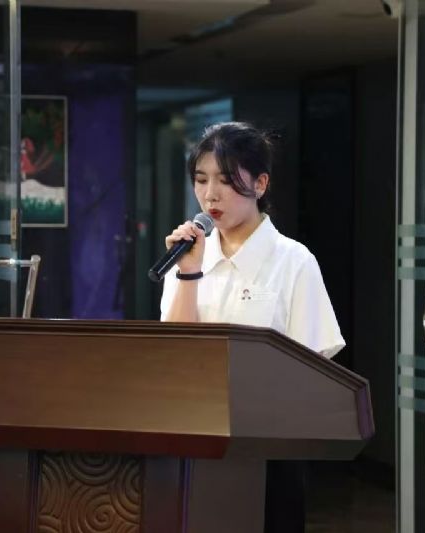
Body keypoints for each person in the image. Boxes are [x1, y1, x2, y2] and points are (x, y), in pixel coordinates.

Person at [159, 121, 345, 533]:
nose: (210, 194)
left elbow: (314, 367)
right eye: (201, 179)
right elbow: (174, 354)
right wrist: (188, 274)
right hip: (194, 436)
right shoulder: (187, 258)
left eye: (226, 180)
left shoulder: (293, 261)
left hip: (269, 448)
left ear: (260, 184)